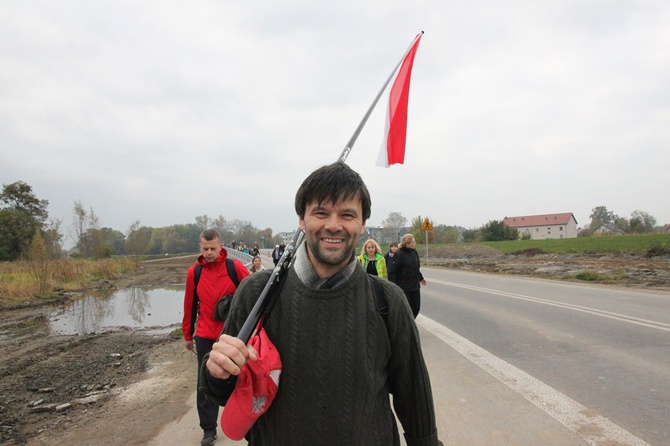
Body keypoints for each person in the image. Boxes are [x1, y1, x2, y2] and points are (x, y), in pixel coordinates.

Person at [202, 162, 440, 445]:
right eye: (321, 213)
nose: (334, 225)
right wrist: (216, 371)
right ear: (302, 220)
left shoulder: (388, 301)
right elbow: (221, 391)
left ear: (363, 224)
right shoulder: (256, 293)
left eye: (347, 214)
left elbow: (414, 398)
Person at [182, 229, 250, 446]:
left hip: (232, 335)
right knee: (205, 383)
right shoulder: (195, 272)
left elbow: (253, 293)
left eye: (213, 248)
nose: (209, 252)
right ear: (200, 248)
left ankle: (245, 422)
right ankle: (209, 429)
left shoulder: (234, 267)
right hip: (205, 335)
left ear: (221, 247)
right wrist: (187, 335)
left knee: (241, 379)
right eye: (205, 248)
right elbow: (189, 305)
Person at [388, 233, 427, 318]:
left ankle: (409, 324)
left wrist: (421, 278)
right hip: (404, 287)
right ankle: (407, 327)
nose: (415, 243)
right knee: (407, 310)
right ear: (408, 244)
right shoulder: (399, 254)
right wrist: (395, 286)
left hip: (415, 286)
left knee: (416, 308)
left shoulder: (414, 252)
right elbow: (391, 272)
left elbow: (416, 267)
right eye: (413, 242)